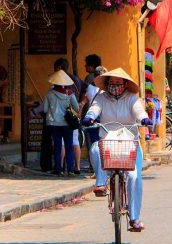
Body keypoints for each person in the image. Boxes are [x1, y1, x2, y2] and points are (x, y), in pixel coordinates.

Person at [83, 68, 151, 232]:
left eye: (118, 84)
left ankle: (134, 218)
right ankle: (100, 183)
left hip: (129, 142)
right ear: (106, 84)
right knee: (94, 149)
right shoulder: (101, 98)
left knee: (134, 177)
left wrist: (144, 118)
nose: (114, 86)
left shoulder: (131, 98)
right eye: (111, 84)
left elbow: (139, 111)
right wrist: (90, 117)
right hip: (108, 140)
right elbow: (94, 109)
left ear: (125, 84)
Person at [39, 70, 80, 176]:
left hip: (54, 124)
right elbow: (76, 107)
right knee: (69, 147)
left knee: (57, 147)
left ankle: (59, 169)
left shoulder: (49, 94)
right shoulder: (69, 93)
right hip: (67, 124)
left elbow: (45, 110)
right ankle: (70, 170)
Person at [54, 58, 83, 174]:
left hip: (59, 118)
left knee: (61, 144)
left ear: (59, 68)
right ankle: (77, 167)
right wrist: (81, 106)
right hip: (73, 117)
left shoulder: (55, 86)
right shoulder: (76, 80)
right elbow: (86, 91)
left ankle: (60, 167)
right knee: (74, 142)